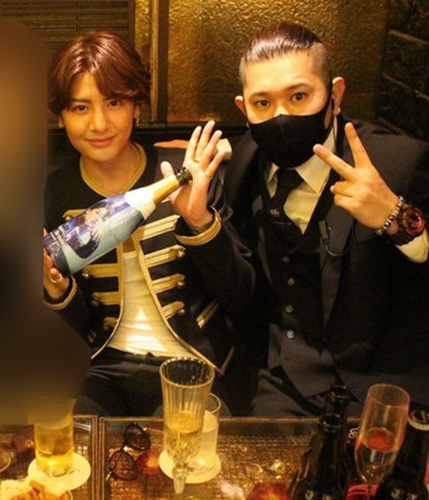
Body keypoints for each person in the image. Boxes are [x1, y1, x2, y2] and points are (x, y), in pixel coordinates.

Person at [43, 30, 255, 416]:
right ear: (61, 116)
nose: (99, 123)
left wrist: (200, 222)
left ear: (136, 107)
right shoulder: (54, 194)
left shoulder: (185, 175)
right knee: (69, 437)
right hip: (101, 367)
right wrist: (56, 290)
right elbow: (68, 330)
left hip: (192, 362)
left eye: (114, 102)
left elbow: (241, 296)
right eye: (80, 108)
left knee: (188, 444)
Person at [224, 21, 429, 417]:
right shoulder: (246, 163)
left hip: (379, 386)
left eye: (299, 96)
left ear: (334, 95)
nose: (281, 116)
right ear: (243, 109)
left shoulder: (398, 164)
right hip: (283, 381)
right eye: (262, 103)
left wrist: (395, 218)